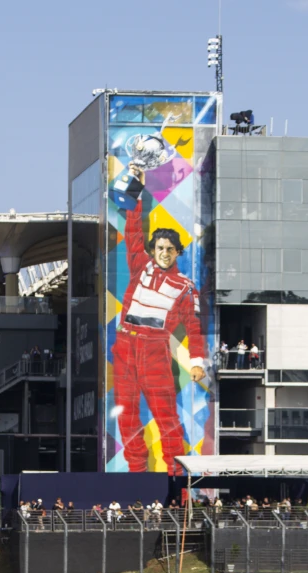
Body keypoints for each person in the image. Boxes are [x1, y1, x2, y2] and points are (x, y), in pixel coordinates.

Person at [112, 162, 207, 473]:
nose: (164, 252)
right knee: (126, 415)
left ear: (177, 252)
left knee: (166, 418)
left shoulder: (184, 287)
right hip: (126, 346)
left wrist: (197, 362)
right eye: (160, 247)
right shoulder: (140, 265)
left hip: (154, 350)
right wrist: (137, 190)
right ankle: (136, 476)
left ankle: (176, 479)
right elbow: (133, 228)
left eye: (170, 249)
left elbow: (194, 326)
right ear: (152, 250)